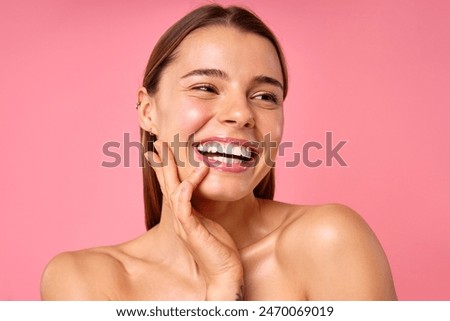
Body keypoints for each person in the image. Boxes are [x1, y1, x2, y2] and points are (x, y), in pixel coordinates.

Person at [40, 4, 397, 300]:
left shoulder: (330, 241)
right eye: (206, 87)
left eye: (265, 96)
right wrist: (223, 287)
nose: (242, 114)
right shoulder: (84, 281)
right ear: (148, 111)